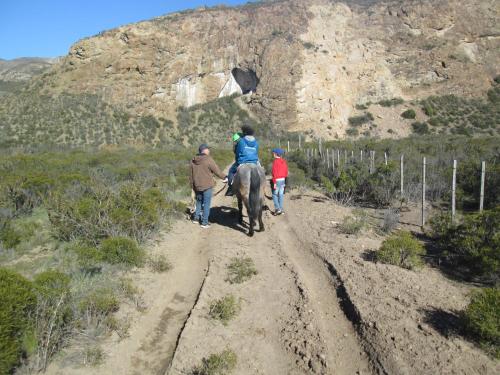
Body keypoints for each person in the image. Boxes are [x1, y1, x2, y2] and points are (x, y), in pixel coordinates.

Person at [190, 144, 227, 228]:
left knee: (199, 202)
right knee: (206, 204)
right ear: (204, 150)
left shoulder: (193, 160)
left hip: (197, 186)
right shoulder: (208, 159)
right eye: (208, 149)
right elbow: (216, 170)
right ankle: (204, 222)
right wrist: (225, 177)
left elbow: (190, 175)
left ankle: (196, 219)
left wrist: (192, 187)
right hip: (207, 185)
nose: (209, 151)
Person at [225, 125, 260, 196]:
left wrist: (238, 159)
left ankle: (231, 188)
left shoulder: (241, 141)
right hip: (254, 161)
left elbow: (238, 153)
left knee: (231, 171)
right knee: (260, 171)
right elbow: (256, 151)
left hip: (243, 161)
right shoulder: (256, 142)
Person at [271, 148, 289, 215]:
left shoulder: (275, 161)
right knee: (281, 194)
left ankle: (278, 209)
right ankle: (281, 209)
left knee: (274, 194)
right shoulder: (283, 161)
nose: (273, 154)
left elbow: (274, 173)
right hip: (283, 180)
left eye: (273, 153)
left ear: (276, 154)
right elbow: (286, 172)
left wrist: (274, 182)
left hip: (277, 180)